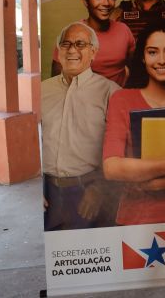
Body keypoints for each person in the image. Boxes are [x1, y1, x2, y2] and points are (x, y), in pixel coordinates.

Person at [102, 21, 165, 225]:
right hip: (137, 220)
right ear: (142, 57)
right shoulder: (122, 99)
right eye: (153, 52)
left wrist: (155, 184)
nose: (162, 60)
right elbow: (112, 167)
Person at [41, 22, 120, 230]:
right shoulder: (40, 91)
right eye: (66, 44)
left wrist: (101, 188)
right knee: (53, 258)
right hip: (45, 194)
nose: (72, 50)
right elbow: (28, 143)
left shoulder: (111, 93)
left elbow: (124, 149)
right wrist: (33, 188)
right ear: (58, 51)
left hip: (89, 193)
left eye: (80, 44)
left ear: (93, 52)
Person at [51, 0, 135, 87]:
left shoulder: (124, 30)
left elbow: (136, 69)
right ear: (86, 1)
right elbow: (57, 80)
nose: (106, 3)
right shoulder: (71, 34)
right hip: (85, 102)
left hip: (118, 100)